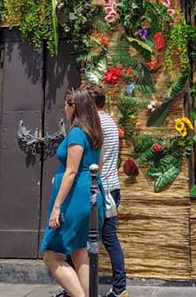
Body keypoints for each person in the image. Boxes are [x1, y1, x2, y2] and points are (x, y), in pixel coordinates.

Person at [42, 88, 105, 297]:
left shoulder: (77, 133)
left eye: (66, 105)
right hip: (92, 193)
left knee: (52, 256)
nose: (64, 109)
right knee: (79, 253)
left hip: (74, 198)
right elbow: (100, 166)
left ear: (74, 107)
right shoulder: (95, 133)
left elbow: (71, 172)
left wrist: (57, 206)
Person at [87, 85, 128, 297]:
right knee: (110, 238)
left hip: (100, 188)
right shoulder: (111, 122)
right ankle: (120, 288)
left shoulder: (96, 124)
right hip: (113, 186)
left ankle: (78, 288)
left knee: (85, 237)